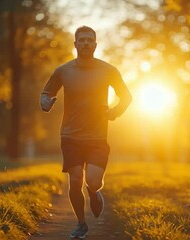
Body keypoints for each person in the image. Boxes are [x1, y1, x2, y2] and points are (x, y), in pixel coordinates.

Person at [40, 26, 132, 239]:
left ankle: (94, 192)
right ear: (75, 44)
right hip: (70, 135)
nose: (86, 43)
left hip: (97, 136)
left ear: (96, 45)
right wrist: (45, 102)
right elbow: (46, 93)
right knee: (74, 179)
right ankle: (81, 223)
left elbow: (126, 96)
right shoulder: (63, 71)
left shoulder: (108, 70)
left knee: (92, 180)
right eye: (81, 40)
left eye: (90, 40)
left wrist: (114, 112)